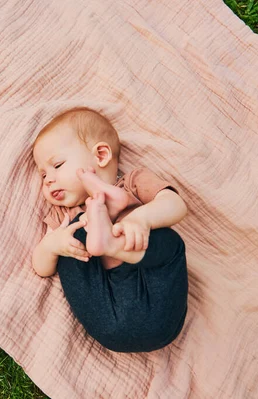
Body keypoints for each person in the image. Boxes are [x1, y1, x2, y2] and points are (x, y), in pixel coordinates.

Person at [31, 107, 189, 352]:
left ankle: (111, 237)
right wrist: (53, 245)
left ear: (101, 155)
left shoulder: (132, 183)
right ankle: (104, 227)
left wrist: (140, 219)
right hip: (107, 313)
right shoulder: (65, 216)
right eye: (43, 175)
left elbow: (176, 205)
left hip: (157, 303)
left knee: (170, 242)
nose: (48, 180)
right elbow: (41, 268)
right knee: (70, 242)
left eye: (57, 165)